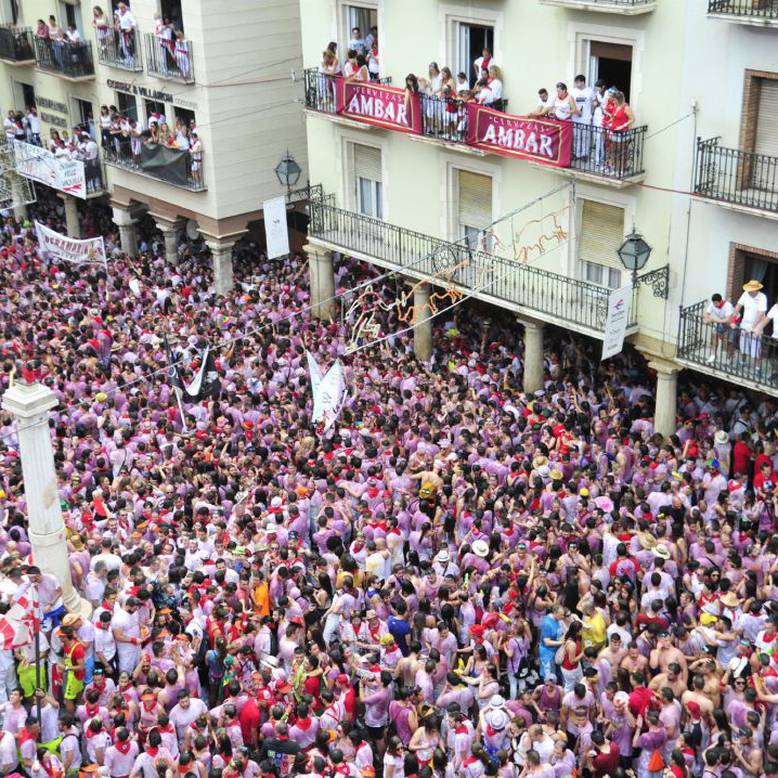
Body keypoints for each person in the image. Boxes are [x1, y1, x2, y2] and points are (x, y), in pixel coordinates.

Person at [732, 279, 768, 364]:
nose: (749, 292)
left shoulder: (762, 297)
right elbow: (738, 306)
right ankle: (742, 363)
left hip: (757, 326)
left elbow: (760, 313)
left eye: (751, 290)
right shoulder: (745, 294)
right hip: (745, 324)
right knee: (743, 346)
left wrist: (752, 327)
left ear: (756, 290)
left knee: (756, 349)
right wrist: (733, 321)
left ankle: (757, 368)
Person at [703, 292, 736, 365]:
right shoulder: (713, 304)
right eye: (714, 303)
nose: (715, 305)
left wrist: (713, 320)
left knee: (730, 341)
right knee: (714, 335)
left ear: (721, 301)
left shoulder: (728, 306)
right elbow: (706, 313)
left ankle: (729, 357)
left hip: (732, 323)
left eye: (716, 303)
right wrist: (706, 319)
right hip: (722, 323)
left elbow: (727, 320)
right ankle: (713, 355)